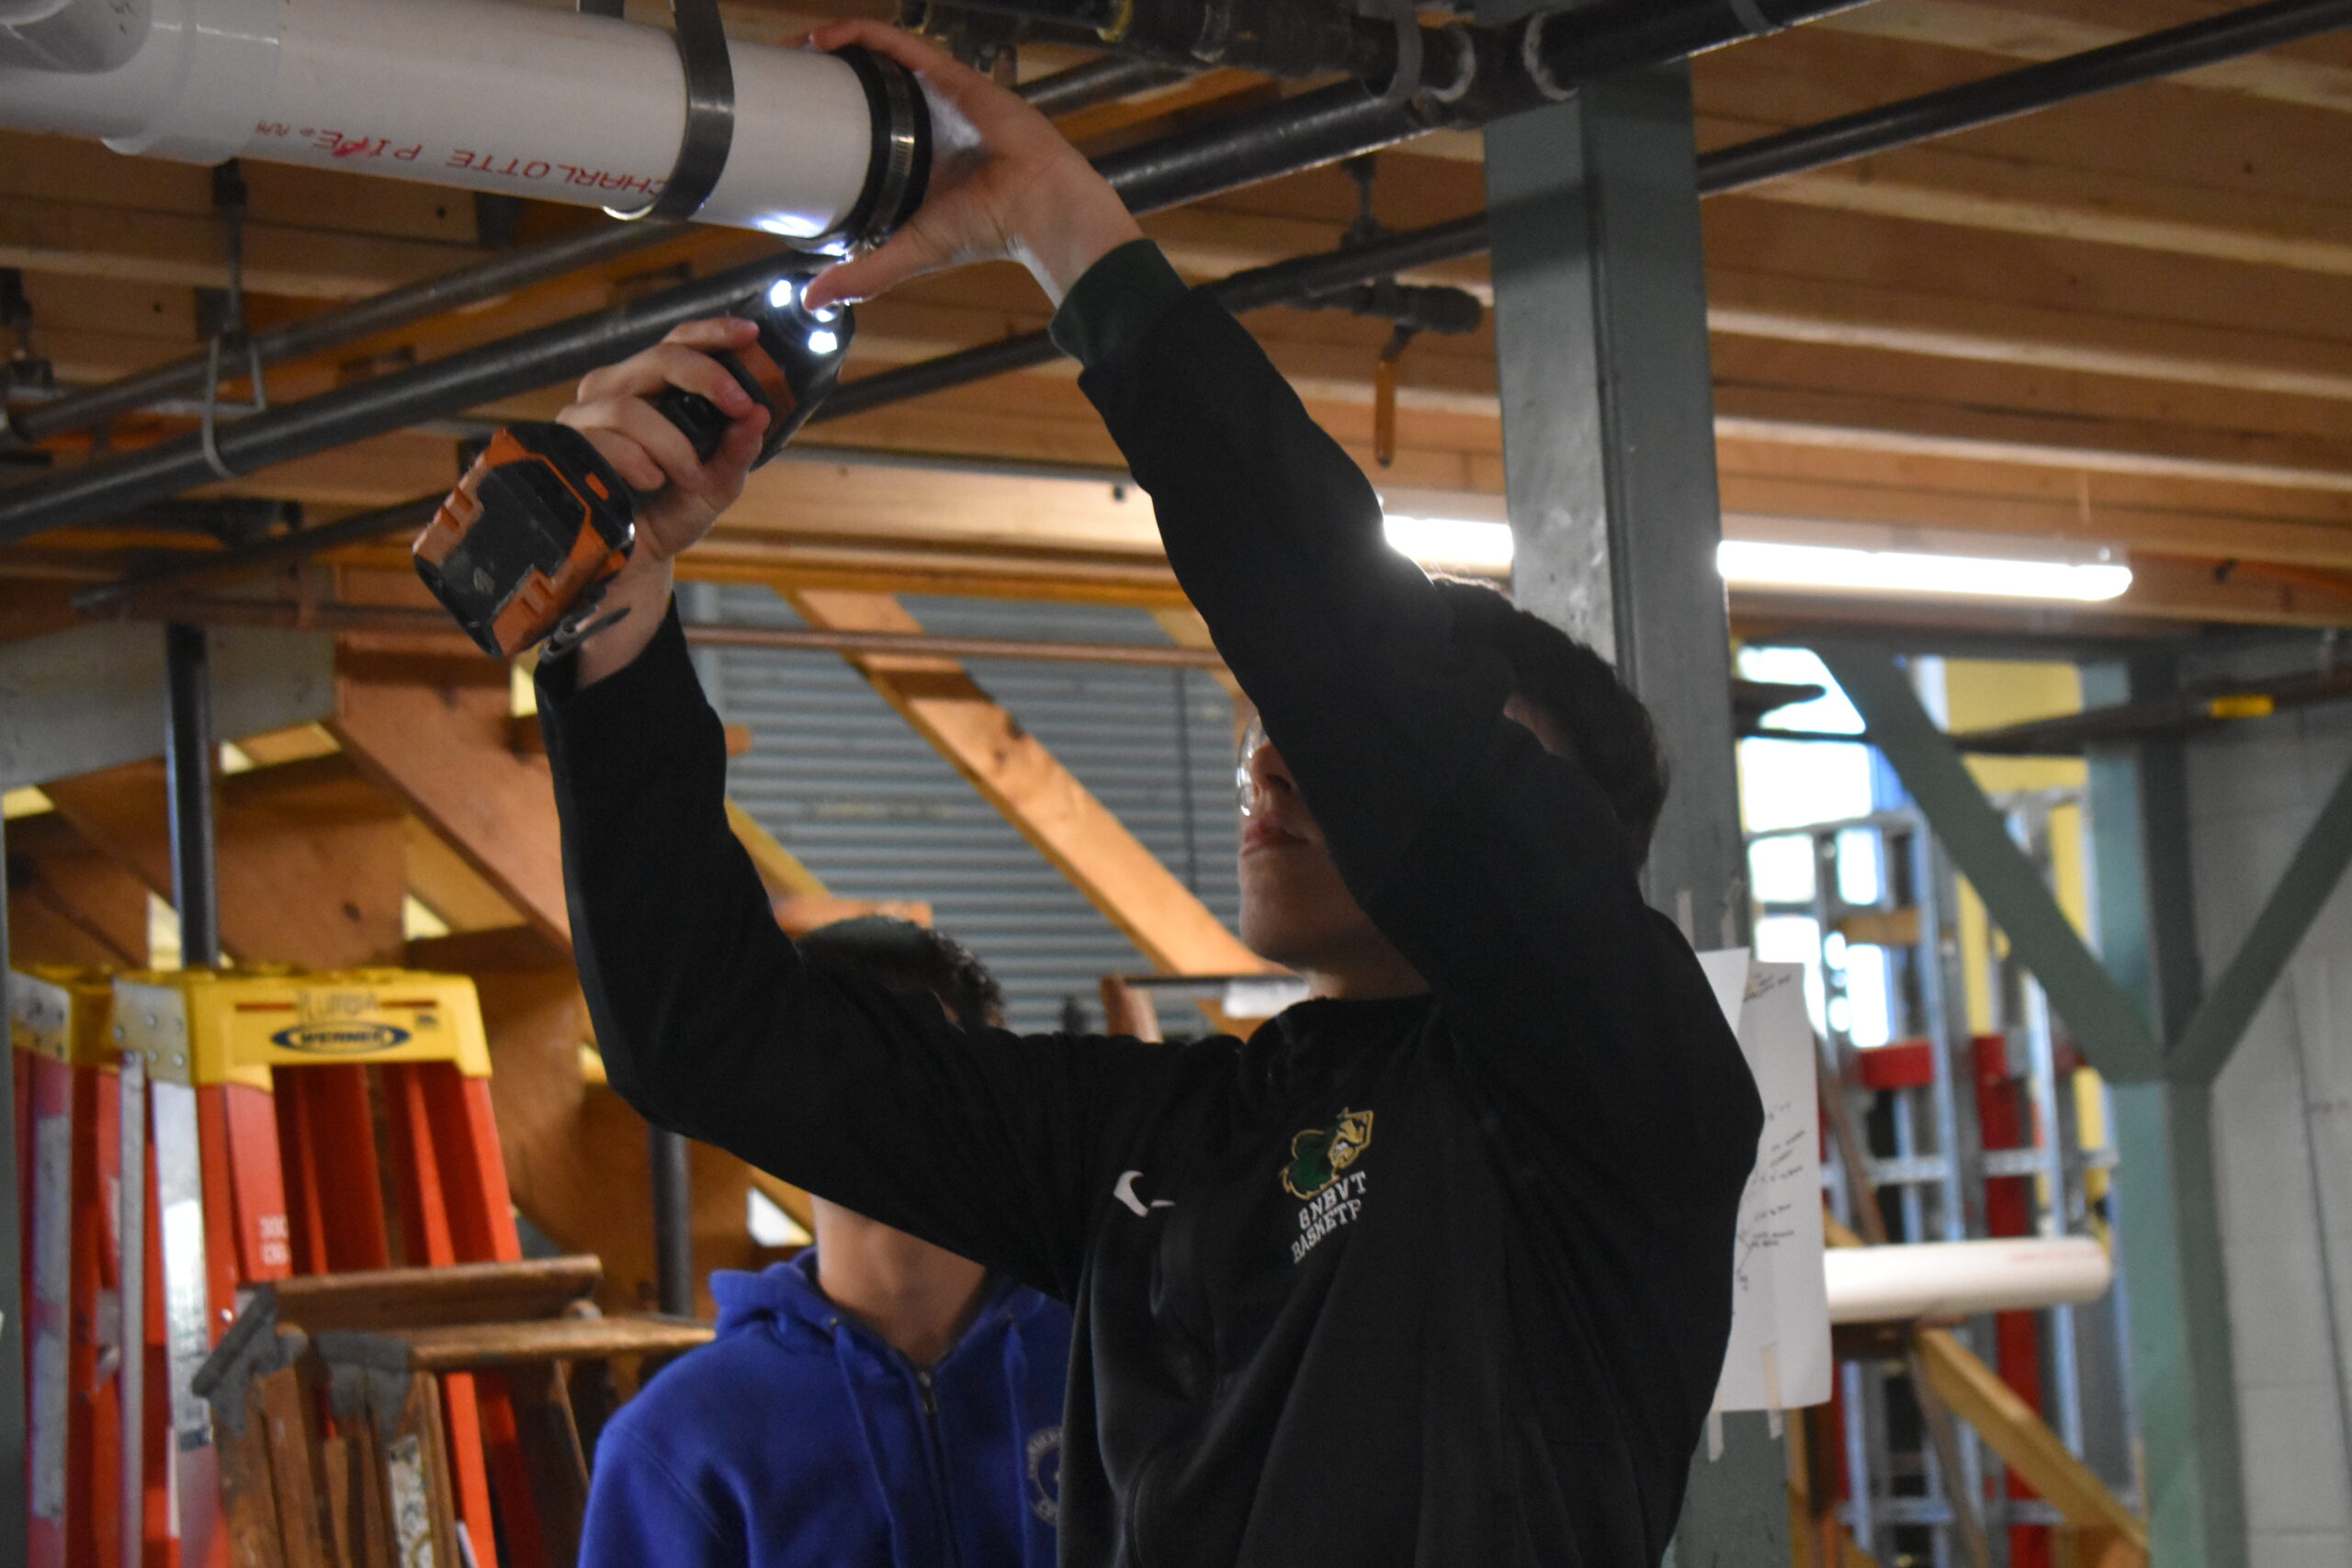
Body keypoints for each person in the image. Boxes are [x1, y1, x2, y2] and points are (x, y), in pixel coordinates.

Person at [537, 20, 1764, 1565]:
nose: (1274, 748)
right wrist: (617, 617)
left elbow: (1385, 724)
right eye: (1269, 722)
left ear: (1561, 848)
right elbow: (706, 1040)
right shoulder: (1165, 1140)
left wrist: (1072, 239)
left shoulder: (1612, 1092)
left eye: (1379, 730)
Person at [579, 918, 1073, 1568]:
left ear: (992, 1080)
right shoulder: (681, 1439)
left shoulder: (1117, 1366)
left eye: (922, 1063)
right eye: (829, 1067)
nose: (876, 1107)